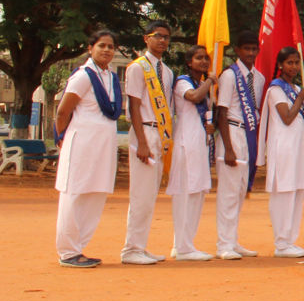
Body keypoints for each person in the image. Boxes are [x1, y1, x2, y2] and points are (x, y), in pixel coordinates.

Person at [53, 30, 123, 267]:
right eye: (101, 45)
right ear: (90, 48)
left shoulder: (110, 77)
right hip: (81, 143)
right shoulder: (84, 76)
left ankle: (79, 248)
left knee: (96, 193)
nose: (107, 50)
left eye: (111, 46)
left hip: (102, 146)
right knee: (75, 194)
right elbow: (63, 111)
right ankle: (67, 251)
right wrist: (61, 137)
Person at [122, 19, 175, 265]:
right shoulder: (137, 68)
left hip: (160, 134)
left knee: (150, 194)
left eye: (166, 37)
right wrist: (141, 142)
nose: (162, 40)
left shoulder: (167, 71)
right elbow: (133, 105)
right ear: (146, 38)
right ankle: (131, 249)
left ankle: (140, 247)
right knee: (140, 194)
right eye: (157, 36)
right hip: (144, 131)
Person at [259, 46, 304, 258]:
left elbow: (297, 117)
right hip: (283, 147)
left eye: (296, 62)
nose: (293, 66)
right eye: (289, 62)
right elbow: (286, 117)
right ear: (280, 64)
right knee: (284, 191)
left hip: (297, 146)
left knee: (297, 190)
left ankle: (290, 240)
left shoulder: (296, 87)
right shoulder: (276, 89)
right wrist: (300, 98)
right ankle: (281, 242)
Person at [214, 31, 264, 259]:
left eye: (254, 49)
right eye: (246, 49)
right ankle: (223, 244)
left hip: (249, 134)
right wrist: (228, 148)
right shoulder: (229, 76)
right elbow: (222, 111)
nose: (250, 53)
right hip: (232, 132)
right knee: (228, 192)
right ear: (238, 50)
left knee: (241, 189)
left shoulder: (259, 78)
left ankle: (232, 240)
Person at [167, 45, 216, 261]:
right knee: (185, 194)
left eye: (206, 58)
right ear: (189, 62)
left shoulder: (201, 84)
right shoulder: (182, 81)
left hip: (199, 141)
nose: (203, 62)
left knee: (196, 193)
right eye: (199, 58)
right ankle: (183, 245)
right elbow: (194, 97)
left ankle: (185, 243)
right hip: (186, 142)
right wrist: (210, 81)